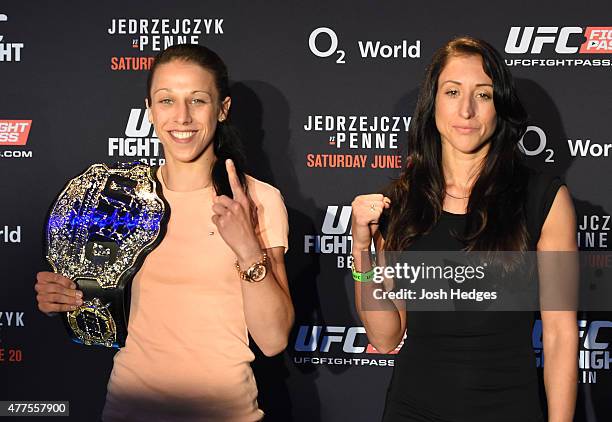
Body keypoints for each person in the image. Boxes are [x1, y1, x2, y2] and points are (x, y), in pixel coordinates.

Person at [34, 44, 294, 421]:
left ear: (222, 109)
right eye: (167, 100)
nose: (182, 117)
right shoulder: (115, 199)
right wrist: (62, 298)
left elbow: (273, 340)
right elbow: (91, 304)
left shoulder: (256, 200)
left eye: (198, 100)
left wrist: (247, 248)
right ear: (150, 110)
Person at [351, 37, 577, 422]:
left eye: (483, 95)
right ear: (433, 103)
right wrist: (361, 249)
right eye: (452, 91)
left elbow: (559, 335)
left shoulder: (544, 199)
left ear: (499, 105)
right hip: (413, 409)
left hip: (508, 409)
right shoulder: (401, 202)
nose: (467, 110)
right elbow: (386, 336)